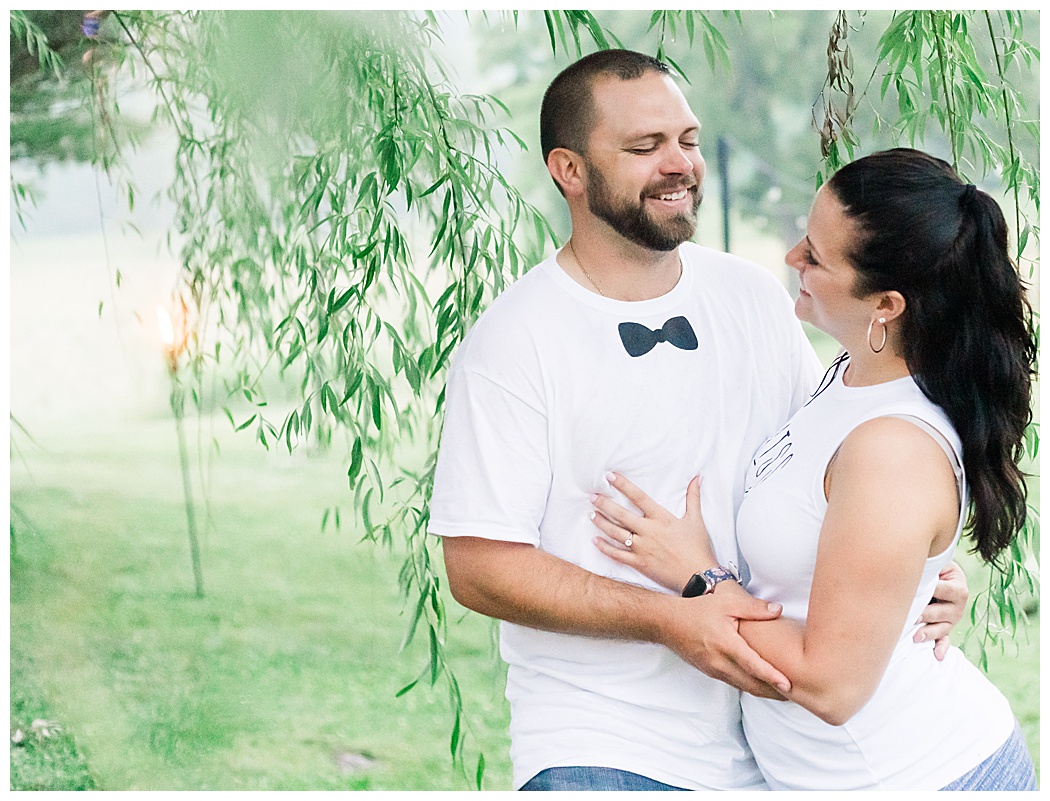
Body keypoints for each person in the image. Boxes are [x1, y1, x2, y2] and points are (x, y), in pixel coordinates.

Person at [428, 50, 967, 791]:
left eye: (686, 138)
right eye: (645, 148)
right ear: (570, 171)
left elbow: (840, 477)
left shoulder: (750, 294)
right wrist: (666, 616)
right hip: (606, 744)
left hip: (765, 743)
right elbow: (479, 566)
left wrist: (914, 567)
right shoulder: (515, 341)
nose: (679, 163)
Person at [589, 148, 1038, 790]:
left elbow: (829, 685)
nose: (792, 257)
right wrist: (916, 577)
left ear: (886, 304)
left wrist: (698, 575)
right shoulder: (846, 375)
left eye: (817, 256)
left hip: (915, 777)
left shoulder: (893, 450)